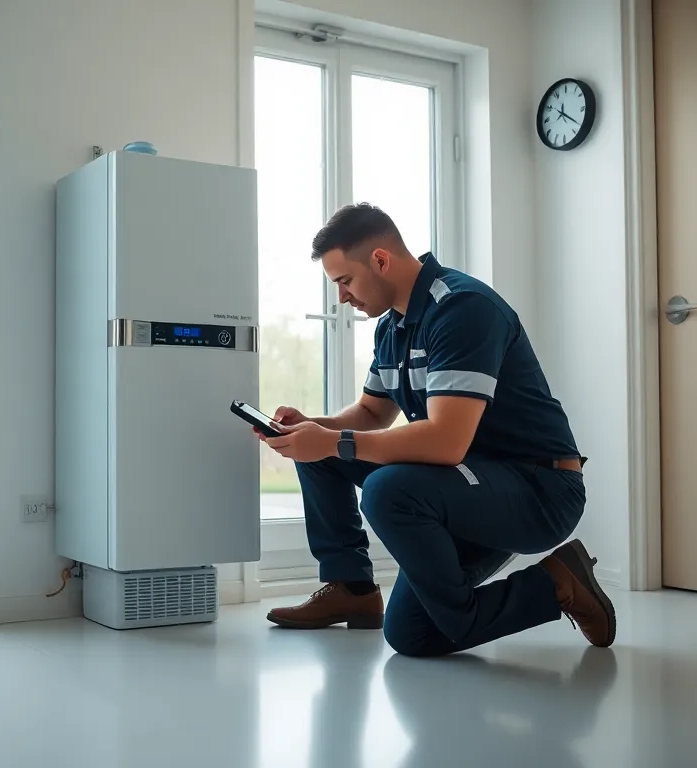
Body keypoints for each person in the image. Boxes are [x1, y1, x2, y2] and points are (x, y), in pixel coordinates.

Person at [256, 202, 615, 657]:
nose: (342, 297)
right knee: (412, 635)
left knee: (384, 486)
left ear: (380, 260)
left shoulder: (462, 309)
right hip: (467, 486)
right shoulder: (392, 327)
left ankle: (552, 583)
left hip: (537, 490)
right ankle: (353, 588)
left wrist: (330, 440)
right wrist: (311, 429)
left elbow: (446, 442)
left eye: (345, 281)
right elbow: (370, 413)